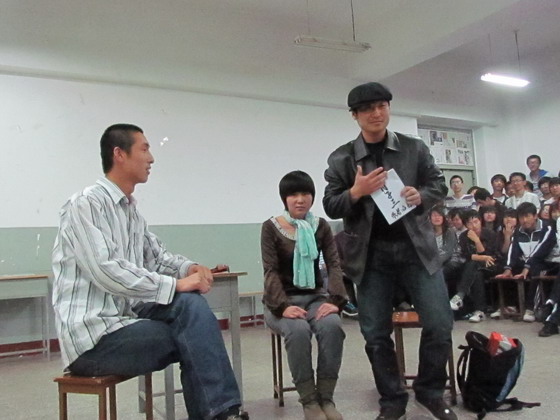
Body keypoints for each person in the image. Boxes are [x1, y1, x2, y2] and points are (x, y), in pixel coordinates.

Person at [52, 124, 248, 420]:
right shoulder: (85, 205)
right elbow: (107, 270)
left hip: (126, 322)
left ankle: (223, 413)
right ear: (119, 154)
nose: (151, 158)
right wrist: (176, 284)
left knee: (192, 308)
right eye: (144, 149)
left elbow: (157, 258)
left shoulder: (130, 212)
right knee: (192, 333)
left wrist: (189, 267)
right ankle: (220, 414)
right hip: (94, 341)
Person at [323, 82, 456, 420]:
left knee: (440, 323)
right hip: (371, 256)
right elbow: (331, 204)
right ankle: (392, 400)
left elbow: (438, 184)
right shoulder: (341, 158)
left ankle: (430, 392)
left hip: (417, 251)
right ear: (354, 115)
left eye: (382, 106)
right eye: (368, 109)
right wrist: (356, 191)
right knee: (375, 334)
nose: (376, 113)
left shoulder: (414, 148)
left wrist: (421, 195)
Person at [261, 170, 347, 420]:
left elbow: (334, 264)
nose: (300, 199)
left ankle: (326, 398)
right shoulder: (271, 227)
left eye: (305, 194)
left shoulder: (320, 226)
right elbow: (270, 270)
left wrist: (335, 301)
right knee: (297, 331)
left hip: (315, 298)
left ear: (312, 196)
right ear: (285, 199)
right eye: (293, 194)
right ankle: (309, 401)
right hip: (281, 302)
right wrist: (282, 307)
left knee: (332, 326)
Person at [494, 202, 557, 322]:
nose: (524, 220)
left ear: (535, 216)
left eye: (527, 216)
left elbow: (541, 251)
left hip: (547, 262)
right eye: (521, 217)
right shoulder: (518, 231)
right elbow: (513, 250)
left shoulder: (547, 229)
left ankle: (530, 308)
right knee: (505, 268)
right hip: (528, 261)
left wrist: (527, 267)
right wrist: (508, 268)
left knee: (536, 269)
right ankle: (510, 305)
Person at [449, 210, 499, 322]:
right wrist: (482, 257)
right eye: (470, 223)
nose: (474, 226)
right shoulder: (463, 236)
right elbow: (466, 256)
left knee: (474, 264)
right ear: (466, 225)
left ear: (480, 221)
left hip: (492, 266)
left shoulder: (490, 234)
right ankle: (479, 311)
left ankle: (460, 296)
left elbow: (489, 256)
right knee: (477, 273)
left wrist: (477, 241)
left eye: (476, 222)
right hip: (474, 268)